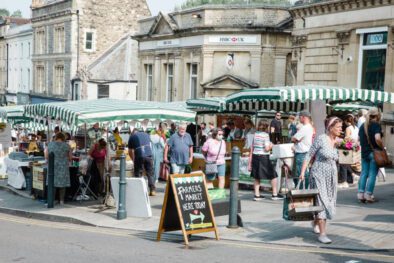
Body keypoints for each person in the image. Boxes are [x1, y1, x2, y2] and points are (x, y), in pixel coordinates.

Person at [300, 116, 342, 244]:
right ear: (330, 127)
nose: (341, 129)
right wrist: (302, 172)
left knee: (328, 200)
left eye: (341, 127)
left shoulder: (337, 141)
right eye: (338, 127)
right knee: (322, 202)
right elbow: (309, 154)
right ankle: (323, 234)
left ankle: (315, 221)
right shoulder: (321, 139)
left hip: (331, 175)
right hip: (318, 173)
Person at [248, 120, 284, 201]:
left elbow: (252, 147)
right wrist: (271, 145)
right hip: (263, 157)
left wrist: (249, 162)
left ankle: (257, 195)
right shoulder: (265, 135)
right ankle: (274, 194)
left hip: (255, 156)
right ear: (267, 127)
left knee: (256, 176)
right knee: (273, 175)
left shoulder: (255, 134)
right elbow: (267, 149)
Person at [358, 107, 383, 203]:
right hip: (374, 153)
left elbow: (359, 139)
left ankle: (360, 194)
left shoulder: (363, 126)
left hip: (364, 153)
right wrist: (382, 146)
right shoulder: (376, 125)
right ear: (377, 115)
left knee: (364, 173)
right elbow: (377, 138)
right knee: (372, 174)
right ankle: (368, 194)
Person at [45, 132, 72, 205]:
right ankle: (61, 200)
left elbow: (46, 156)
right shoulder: (67, 146)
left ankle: (52, 200)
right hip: (63, 166)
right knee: (62, 184)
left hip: (53, 166)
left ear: (56, 137)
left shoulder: (50, 145)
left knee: (53, 183)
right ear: (63, 138)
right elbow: (70, 158)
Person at [128, 129, 156, 196]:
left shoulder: (132, 137)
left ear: (132, 132)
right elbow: (150, 145)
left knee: (138, 173)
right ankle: (152, 190)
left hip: (139, 156)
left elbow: (130, 151)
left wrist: (133, 159)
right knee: (150, 173)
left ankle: (140, 190)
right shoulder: (146, 134)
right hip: (149, 155)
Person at [292, 110, 314, 189]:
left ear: (303, 117)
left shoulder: (304, 128)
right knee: (305, 172)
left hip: (302, 152)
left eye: (300, 117)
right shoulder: (310, 127)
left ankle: (301, 191)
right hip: (307, 151)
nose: (299, 119)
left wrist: (296, 139)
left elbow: (293, 139)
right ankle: (305, 189)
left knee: (300, 173)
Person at [338, 114, 359, 188]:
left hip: (347, 147)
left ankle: (345, 181)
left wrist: (341, 141)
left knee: (343, 163)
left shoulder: (348, 128)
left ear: (346, 121)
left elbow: (347, 139)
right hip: (354, 147)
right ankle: (353, 175)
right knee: (347, 163)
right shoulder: (356, 128)